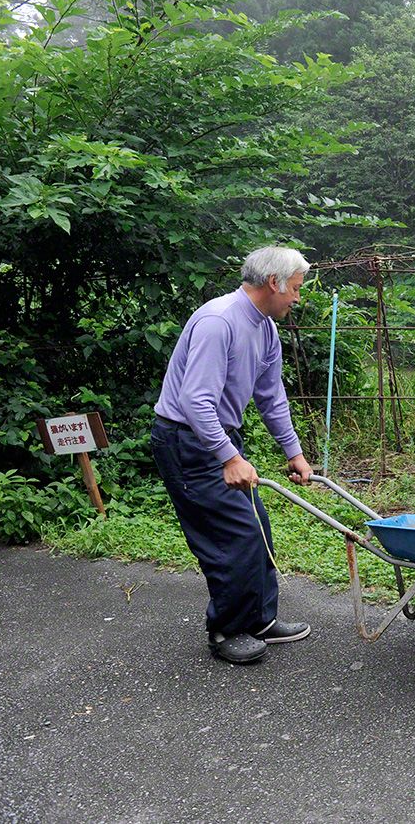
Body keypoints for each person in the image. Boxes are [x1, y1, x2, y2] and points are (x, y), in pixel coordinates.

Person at [151, 246, 315, 664]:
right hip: (188, 441)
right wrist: (228, 458)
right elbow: (195, 401)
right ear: (274, 283)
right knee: (232, 537)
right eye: (295, 289)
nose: (298, 297)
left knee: (256, 526)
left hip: (219, 438)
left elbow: (271, 396)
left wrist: (293, 451)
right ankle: (226, 630)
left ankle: (257, 620)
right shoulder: (218, 322)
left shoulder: (265, 329)